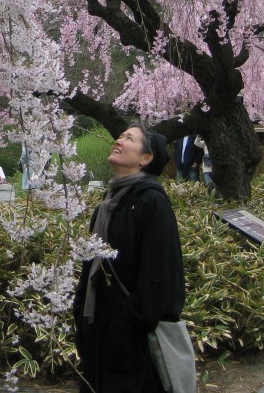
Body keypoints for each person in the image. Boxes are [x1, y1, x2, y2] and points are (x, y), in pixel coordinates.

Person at [74, 123, 186, 393]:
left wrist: (126, 325)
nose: (120, 140)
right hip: (98, 326)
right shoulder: (109, 201)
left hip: (131, 340)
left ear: (146, 158)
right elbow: (92, 264)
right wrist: (80, 310)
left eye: (130, 138)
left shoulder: (151, 202)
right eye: (121, 135)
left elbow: (159, 274)